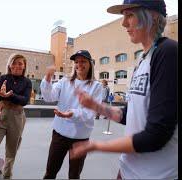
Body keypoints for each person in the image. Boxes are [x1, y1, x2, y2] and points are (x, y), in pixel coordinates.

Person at [71, 0, 178, 179]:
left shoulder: (168, 53)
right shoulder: (142, 60)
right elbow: (128, 115)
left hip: (157, 175)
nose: (123, 23)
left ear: (151, 16)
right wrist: (96, 106)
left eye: (130, 15)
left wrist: (98, 146)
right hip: (129, 170)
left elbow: (156, 136)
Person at [40, 50, 102, 179]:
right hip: (60, 134)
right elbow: (49, 96)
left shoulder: (96, 86)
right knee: (50, 171)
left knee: (74, 174)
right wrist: (47, 78)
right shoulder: (65, 81)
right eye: (76, 61)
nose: (79, 64)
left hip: (81, 137)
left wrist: (72, 113)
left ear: (90, 64)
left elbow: (91, 112)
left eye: (83, 61)